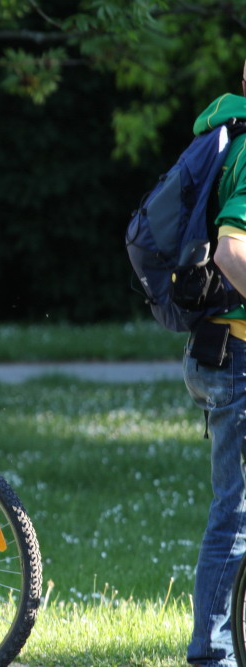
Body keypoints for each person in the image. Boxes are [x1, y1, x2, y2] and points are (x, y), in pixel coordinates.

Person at [184, 64, 246, 667]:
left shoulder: (227, 135)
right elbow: (231, 253)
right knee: (236, 514)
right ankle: (212, 654)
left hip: (221, 347)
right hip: (236, 356)